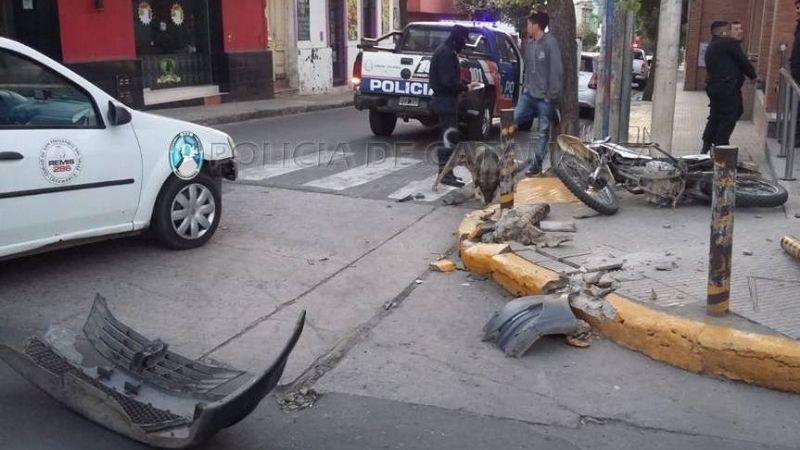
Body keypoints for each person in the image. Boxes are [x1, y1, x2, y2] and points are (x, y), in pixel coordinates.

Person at [514, 11, 563, 176]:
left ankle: (536, 165)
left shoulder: (550, 43)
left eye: (529, 24)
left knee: (543, 132)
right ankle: (507, 157)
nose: (527, 27)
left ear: (536, 25)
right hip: (529, 95)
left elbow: (556, 70)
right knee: (512, 120)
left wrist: (551, 96)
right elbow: (528, 68)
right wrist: (526, 86)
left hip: (545, 98)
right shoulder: (530, 44)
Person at [700, 21, 756, 154]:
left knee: (716, 115)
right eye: (730, 30)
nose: (733, 32)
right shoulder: (728, 43)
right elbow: (742, 61)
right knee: (729, 115)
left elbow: (729, 60)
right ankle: (721, 145)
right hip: (727, 88)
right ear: (721, 32)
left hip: (716, 87)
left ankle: (707, 144)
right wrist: (753, 76)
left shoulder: (714, 45)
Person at [429, 25, 470, 188]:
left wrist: (463, 84)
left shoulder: (445, 51)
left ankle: (446, 171)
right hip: (445, 101)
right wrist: (465, 88)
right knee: (448, 137)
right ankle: (445, 173)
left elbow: (450, 78)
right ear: (456, 39)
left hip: (446, 100)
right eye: (463, 42)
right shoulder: (446, 54)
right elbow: (447, 81)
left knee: (448, 136)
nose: (464, 46)